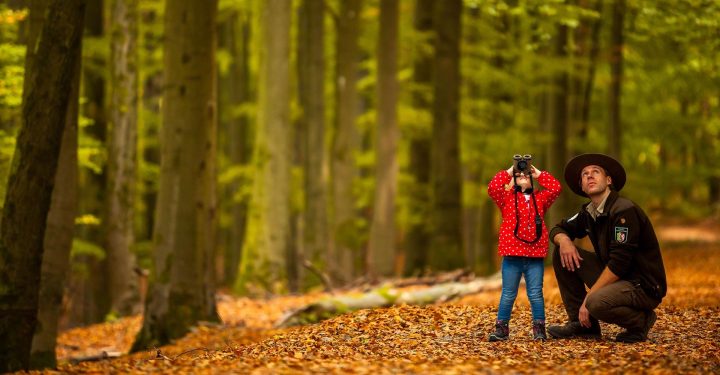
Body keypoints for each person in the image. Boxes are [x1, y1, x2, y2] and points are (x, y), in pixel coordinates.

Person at [547, 153, 667, 343]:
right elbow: (558, 228)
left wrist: (588, 299)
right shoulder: (588, 212)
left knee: (595, 303)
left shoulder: (623, 210)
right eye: (585, 174)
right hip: (617, 278)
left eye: (596, 172)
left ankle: (641, 321)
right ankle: (584, 326)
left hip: (642, 284)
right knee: (561, 253)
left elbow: (619, 264)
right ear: (582, 186)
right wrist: (565, 241)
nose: (589, 176)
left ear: (609, 180)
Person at [486, 159, 562, 341]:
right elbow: (492, 188)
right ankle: (502, 329)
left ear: (532, 179)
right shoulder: (506, 198)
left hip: (534, 256)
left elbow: (556, 189)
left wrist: (539, 174)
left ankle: (539, 329)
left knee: (535, 293)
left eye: (525, 175)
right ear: (512, 180)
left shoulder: (540, 198)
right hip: (512, 256)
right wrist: (509, 171)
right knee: (508, 293)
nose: (522, 177)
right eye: (518, 175)